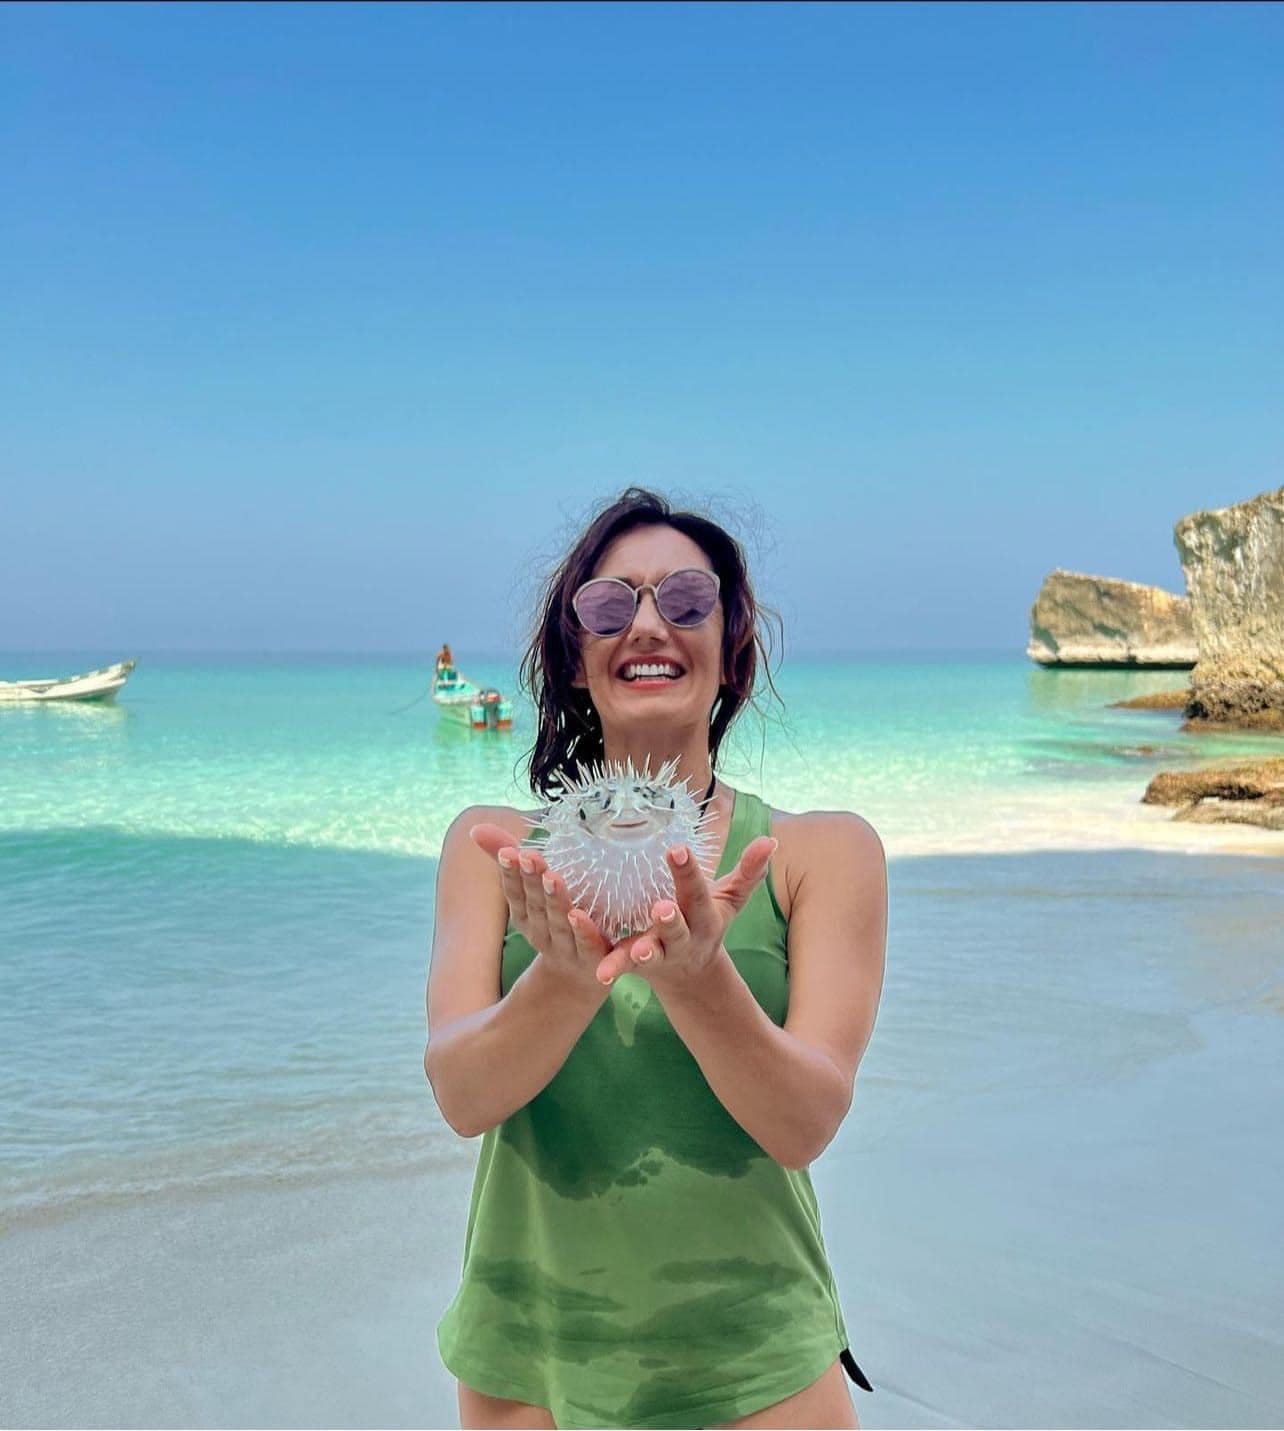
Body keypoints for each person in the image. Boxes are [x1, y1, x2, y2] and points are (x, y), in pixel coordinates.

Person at [425, 487, 888, 1430]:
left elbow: (806, 1120)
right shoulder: (493, 849)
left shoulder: (819, 853)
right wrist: (561, 977)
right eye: (608, 604)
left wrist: (698, 979)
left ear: (731, 647)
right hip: (533, 1357)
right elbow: (462, 1096)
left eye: (684, 600)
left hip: (760, 1362)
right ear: (575, 656)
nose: (647, 623)